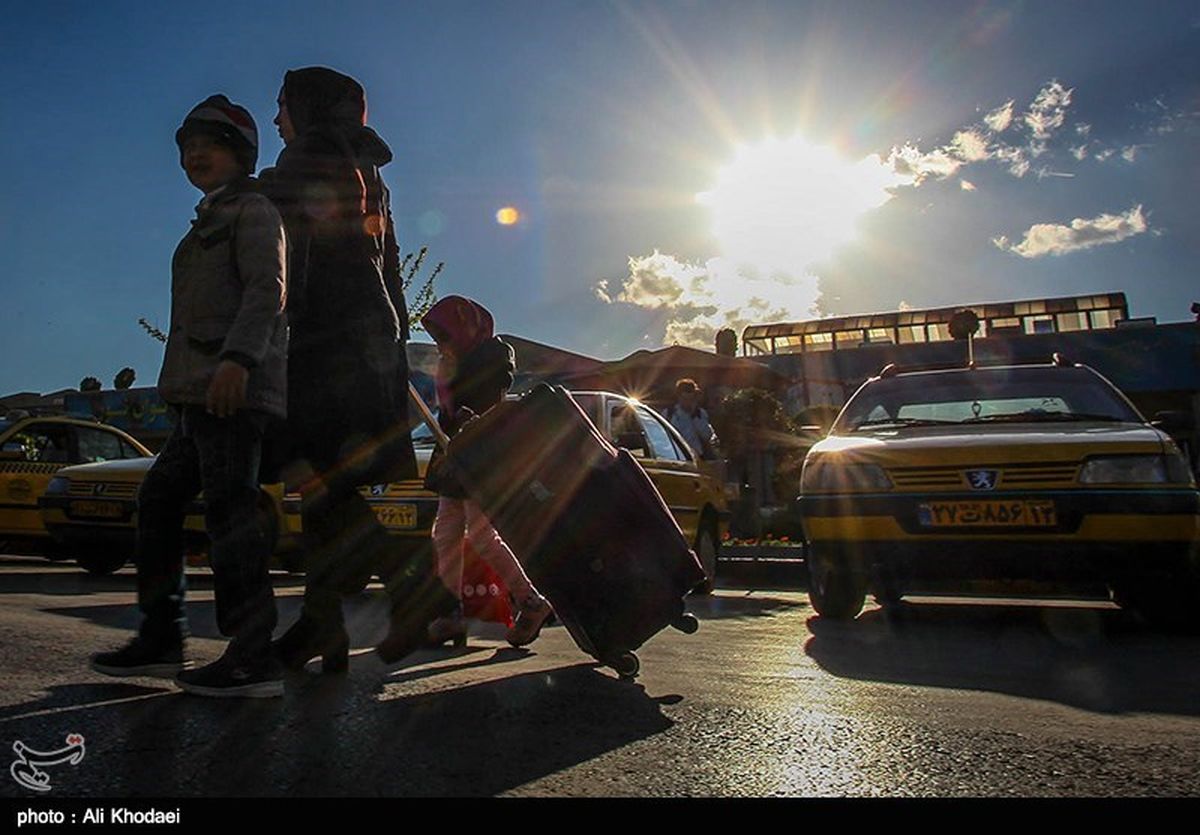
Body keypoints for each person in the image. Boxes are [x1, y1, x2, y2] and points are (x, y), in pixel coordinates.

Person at [91, 95, 288, 698]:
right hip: (196, 396)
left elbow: (266, 290)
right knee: (159, 501)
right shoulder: (205, 222)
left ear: (241, 154)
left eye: (211, 144)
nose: (195, 154)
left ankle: (253, 656)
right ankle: (160, 637)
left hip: (230, 390)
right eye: (187, 146)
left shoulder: (252, 210)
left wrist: (237, 361)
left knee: (231, 512)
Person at [261, 66, 426, 673]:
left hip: (326, 345)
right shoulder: (367, 167)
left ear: (307, 107)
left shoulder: (311, 155)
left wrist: (243, 192)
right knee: (335, 487)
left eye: (282, 106)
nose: (278, 118)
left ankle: (414, 591)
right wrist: (395, 338)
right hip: (371, 342)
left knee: (320, 480)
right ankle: (322, 622)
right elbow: (390, 262)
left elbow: (285, 233)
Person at [418, 296, 553, 653]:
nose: (440, 345)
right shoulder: (451, 363)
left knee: (481, 536)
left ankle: (531, 602)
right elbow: (446, 415)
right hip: (457, 458)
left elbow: (489, 404)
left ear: (464, 328)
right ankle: (450, 612)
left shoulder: (493, 357)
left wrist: (466, 414)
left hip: (482, 458)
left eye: (444, 336)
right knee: (445, 533)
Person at [664, 378, 719, 460]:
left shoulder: (700, 413)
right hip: (676, 456)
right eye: (685, 399)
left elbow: (707, 435)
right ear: (679, 396)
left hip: (697, 456)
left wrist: (694, 416)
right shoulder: (669, 413)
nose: (688, 402)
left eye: (691, 399)